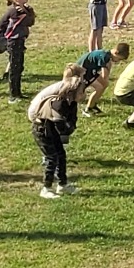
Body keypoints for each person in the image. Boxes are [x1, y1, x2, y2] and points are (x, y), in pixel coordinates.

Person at [27, 65, 85, 197]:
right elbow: (61, 125)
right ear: (72, 93)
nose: (83, 94)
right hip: (42, 130)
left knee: (61, 155)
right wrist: (68, 128)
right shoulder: (58, 104)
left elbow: (71, 120)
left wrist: (71, 126)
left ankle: (62, 185)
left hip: (51, 129)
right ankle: (46, 188)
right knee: (52, 157)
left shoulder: (72, 103)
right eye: (81, 92)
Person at [0, 0, 37, 102]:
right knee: (14, 68)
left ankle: (18, 93)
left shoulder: (23, 9)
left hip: (20, 40)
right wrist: (30, 12)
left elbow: (31, 20)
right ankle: (13, 95)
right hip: (14, 42)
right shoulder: (16, 11)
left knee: (19, 67)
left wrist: (29, 12)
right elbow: (28, 21)